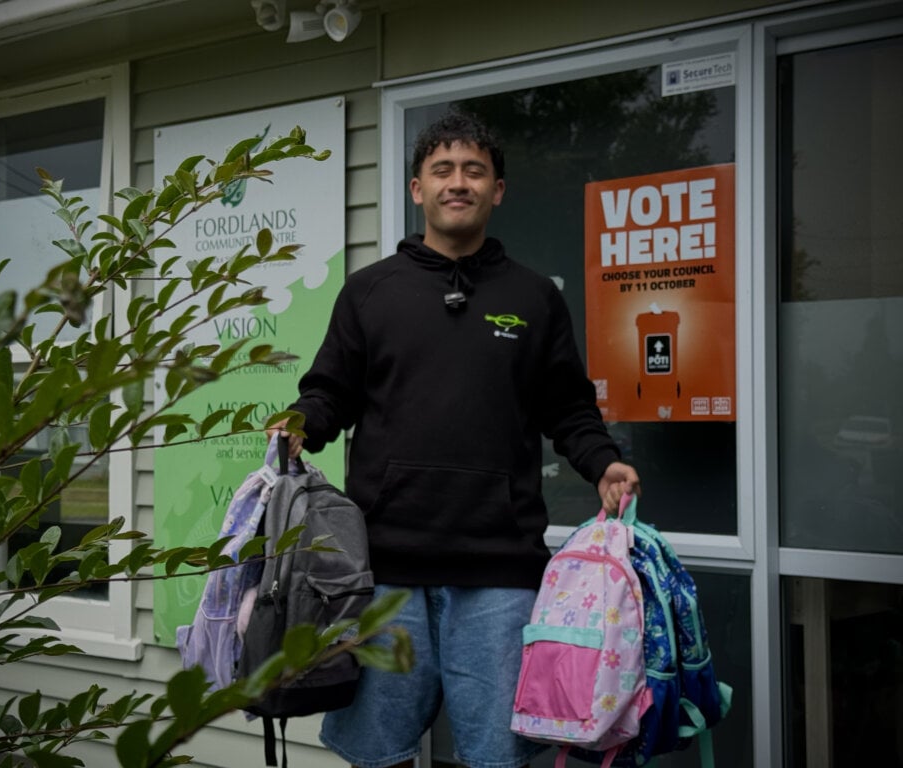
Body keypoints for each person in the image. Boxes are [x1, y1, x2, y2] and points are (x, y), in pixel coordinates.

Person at [269, 111, 640, 768]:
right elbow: (330, 391)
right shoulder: (370, 292)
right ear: (419, 189)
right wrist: (303, 423)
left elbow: (568, 408)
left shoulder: (533, 297)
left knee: (497, 758)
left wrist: (602, 462)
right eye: (443, 170)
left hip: (499, 573)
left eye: (474, 170)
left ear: (498, 190)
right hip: (384, 571)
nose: (458, 182)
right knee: (379, 755)